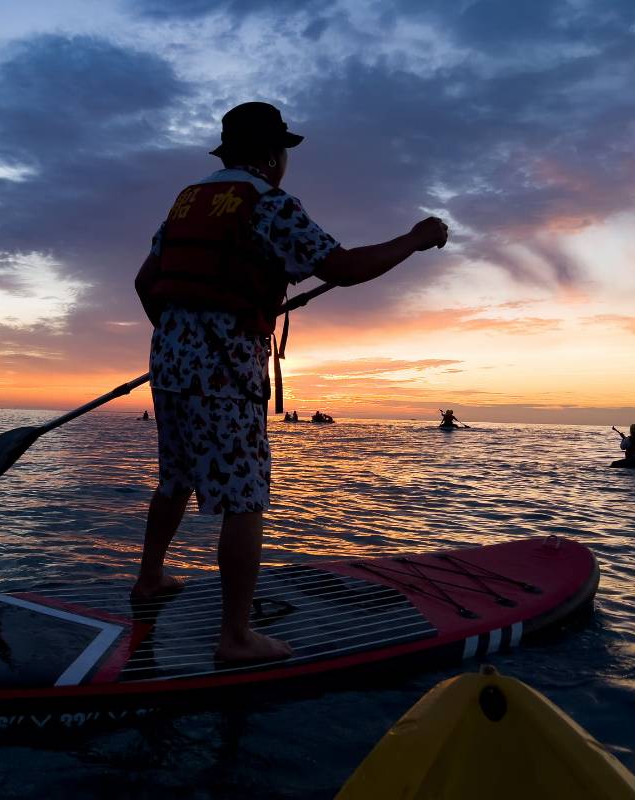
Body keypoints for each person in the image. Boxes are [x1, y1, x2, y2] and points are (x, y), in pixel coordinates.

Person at [133, 101, 448, 663]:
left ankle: (150, 578)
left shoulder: (186, 202)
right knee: (245, 495)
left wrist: (180, 331)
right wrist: (414, 239)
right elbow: (344, 268)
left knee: (175, 477)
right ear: (272, 156)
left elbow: (145, 282)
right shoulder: (270, 203)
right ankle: (235, 637)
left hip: (169, 362)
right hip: (226, 370)